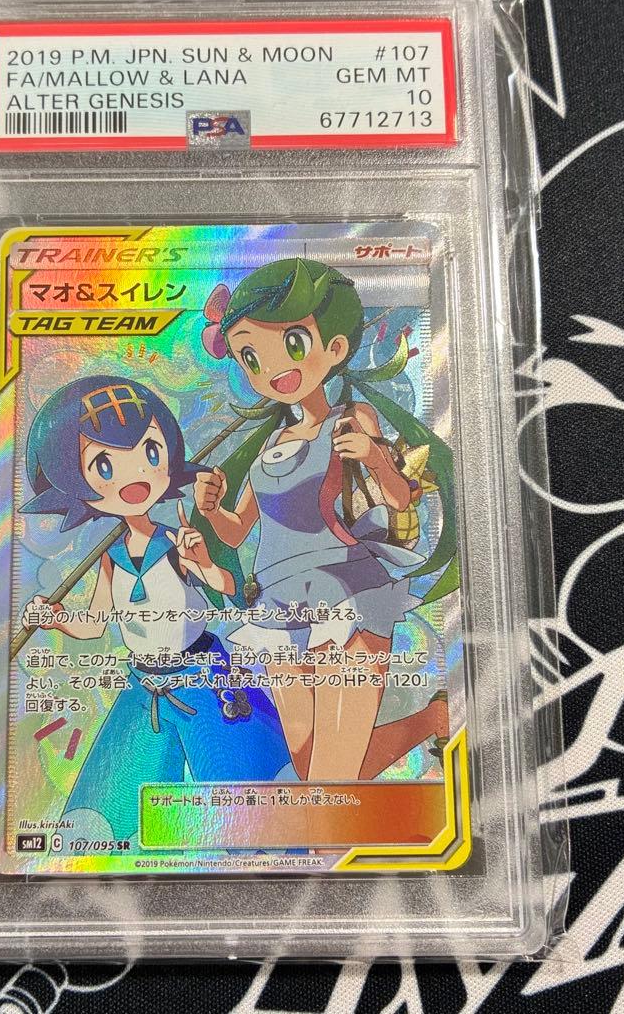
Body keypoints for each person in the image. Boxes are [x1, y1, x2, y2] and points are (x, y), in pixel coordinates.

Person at [194, 259, 456, 781]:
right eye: (251, 357)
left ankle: (433, 720)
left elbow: (400, 500)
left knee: (329, 777)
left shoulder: (352, 419)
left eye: (292, 344)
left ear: (335, 348)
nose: (271, 368)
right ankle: (433, 719)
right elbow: (238, 531)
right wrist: (211, 510)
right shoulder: (271, 443)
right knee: (312, 766)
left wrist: (375, 456)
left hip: (345, 591)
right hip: (277, 607)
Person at [20, 375, 292, 848]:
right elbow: (96, 625)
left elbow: (228, 589)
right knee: (103, 818)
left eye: (149, 453)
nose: (133, 477)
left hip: (205, 678)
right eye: (104, 464)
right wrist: (54, 617)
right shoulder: (110, 556)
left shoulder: (177, 539)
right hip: (144, 687)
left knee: (254, 806)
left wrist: (202, 562)